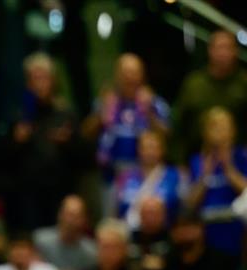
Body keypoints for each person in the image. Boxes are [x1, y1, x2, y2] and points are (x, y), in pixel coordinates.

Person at [8, 53, 79, 231]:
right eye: (35, 78)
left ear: (53, 81)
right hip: (28, 196)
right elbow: (5, 158)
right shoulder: (19, 115)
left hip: (59, 193)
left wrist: (67, 143)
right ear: (28, 83)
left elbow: (83, 156)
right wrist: (17, 141)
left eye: (44, 78)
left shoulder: (65, 113)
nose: (40, 83)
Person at [93, 54, 169, 190]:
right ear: (117, 76)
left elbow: (166, 135)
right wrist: (101, 113)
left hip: (144, 174)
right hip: (110, 174)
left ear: (142, 76)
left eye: (134, 73)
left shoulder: (154, 102)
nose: (129, 77)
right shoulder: (107, 100)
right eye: (125, 73)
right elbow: (86, 133)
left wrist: (149, 111)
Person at [171, 30, 247, 162]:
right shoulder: (194, 84)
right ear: (210, 50)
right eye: (219, 47)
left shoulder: (244, 83)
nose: (223, 53)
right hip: (196, 159)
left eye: (228, 48)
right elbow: (178, 125)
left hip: (240, 160)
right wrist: (179, 162)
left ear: (236, 52)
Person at [186, 106, 247, 255]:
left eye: (224, 127)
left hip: (237, 231)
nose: (220, 131)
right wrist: (205, 176)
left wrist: (229, 169)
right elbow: (191, 203)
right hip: (206, 234)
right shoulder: (197, 161)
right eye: (215, 126)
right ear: (205, 132)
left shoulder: (242, 157)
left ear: (233, 131)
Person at [114, 130, 183, 229]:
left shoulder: (174, 176)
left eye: (154, 147)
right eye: (146, 148)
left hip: (164, 232)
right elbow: (117, 209)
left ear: (162, 150)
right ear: (138, 150)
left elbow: (181, 209)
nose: (150, 152)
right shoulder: (126, 176)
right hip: (129, 231)